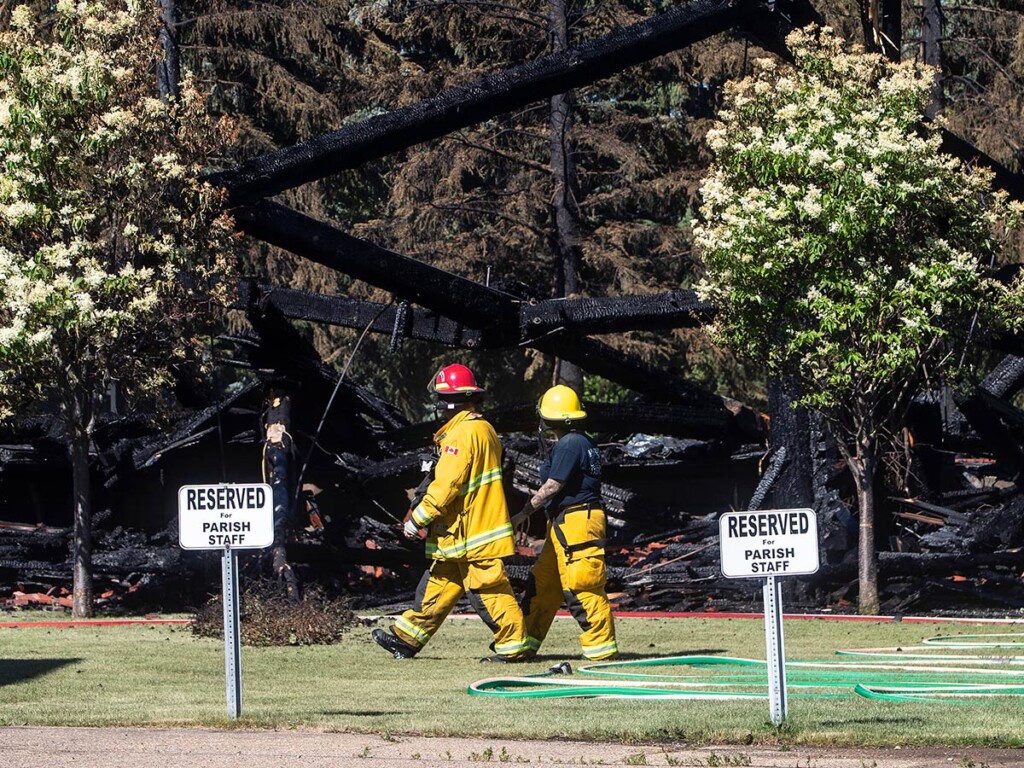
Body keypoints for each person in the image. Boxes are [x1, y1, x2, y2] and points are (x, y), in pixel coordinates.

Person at [372, 363, 531, 662]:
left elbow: (446, 485)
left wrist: (416, 520)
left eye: (441, 401)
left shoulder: (461, 435)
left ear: (449, 402)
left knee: (488, 589)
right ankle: (406, 639)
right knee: (439, 583)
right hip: (463, 531)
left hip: (473, 532)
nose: (439, 409)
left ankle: (513, 647)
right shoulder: (484, 429)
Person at [513, 384, 618, 661]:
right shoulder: (581, 441)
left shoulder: (571, 443)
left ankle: (601, 650)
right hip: (565, 523)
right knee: (544, 584)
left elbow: (552, 486)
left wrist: (521, 515)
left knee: (581, 584)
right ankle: (524, 642)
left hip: (577, 521)